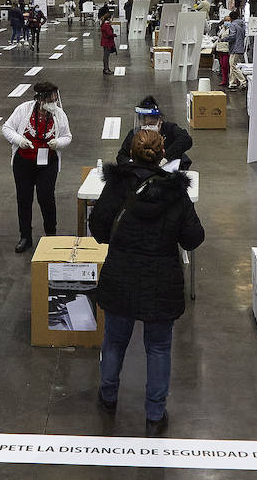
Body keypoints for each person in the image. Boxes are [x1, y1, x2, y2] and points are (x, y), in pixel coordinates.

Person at [89, 129, 204, 437]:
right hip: (161, 280)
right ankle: (154, 414)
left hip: (121, 274)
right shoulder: (176, 192)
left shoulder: (116, 186)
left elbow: (98, 226)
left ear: (132, 151)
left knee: (114, 340)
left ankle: (108, 396)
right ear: (162, 152)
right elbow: (193, 238)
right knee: (158, 347)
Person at [2, 81, 73, 253]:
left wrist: (58, 143)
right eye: (50, 100)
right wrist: (19, 140)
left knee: (46, 197)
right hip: (23, 163)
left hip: (48, 164)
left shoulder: (59, 114)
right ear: (40, 99)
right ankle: (25, 236)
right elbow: (7, 128)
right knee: (24, 199)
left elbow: (67, 136)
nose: (53, 103)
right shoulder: (23, 110)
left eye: (55, 100)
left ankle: (50, 235)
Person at [116, 96, 194, 170]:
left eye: (151, 124)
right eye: (144, 124)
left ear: (159, 121)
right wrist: (132, 163)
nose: (147, 127)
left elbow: (186, 139)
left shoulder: (169, 129)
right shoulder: (134, 135)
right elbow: (121, 156)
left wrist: (166, 157)